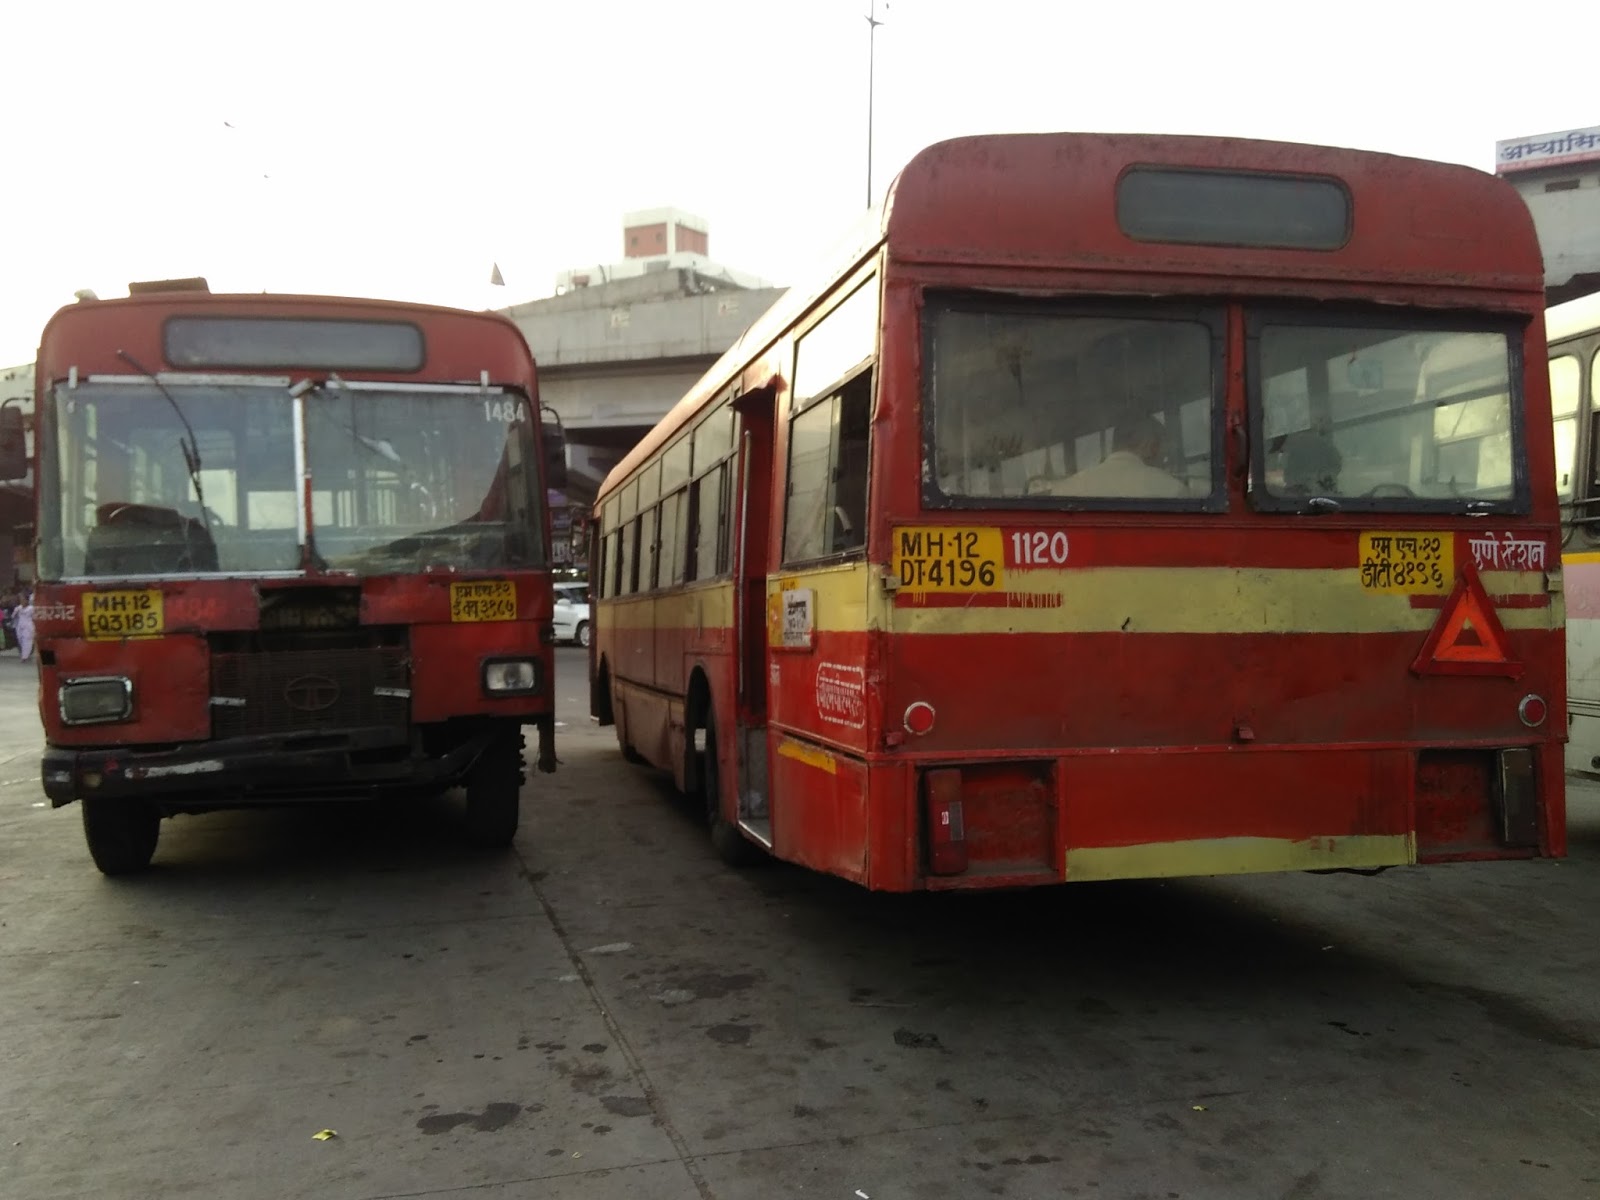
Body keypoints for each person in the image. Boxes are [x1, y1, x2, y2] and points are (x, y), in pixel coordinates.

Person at [1054, 417, 1188, 498]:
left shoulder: (1063, 491)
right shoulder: (1171, 489)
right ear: (1151, 447)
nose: (1163, 459)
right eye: (1161, 452)